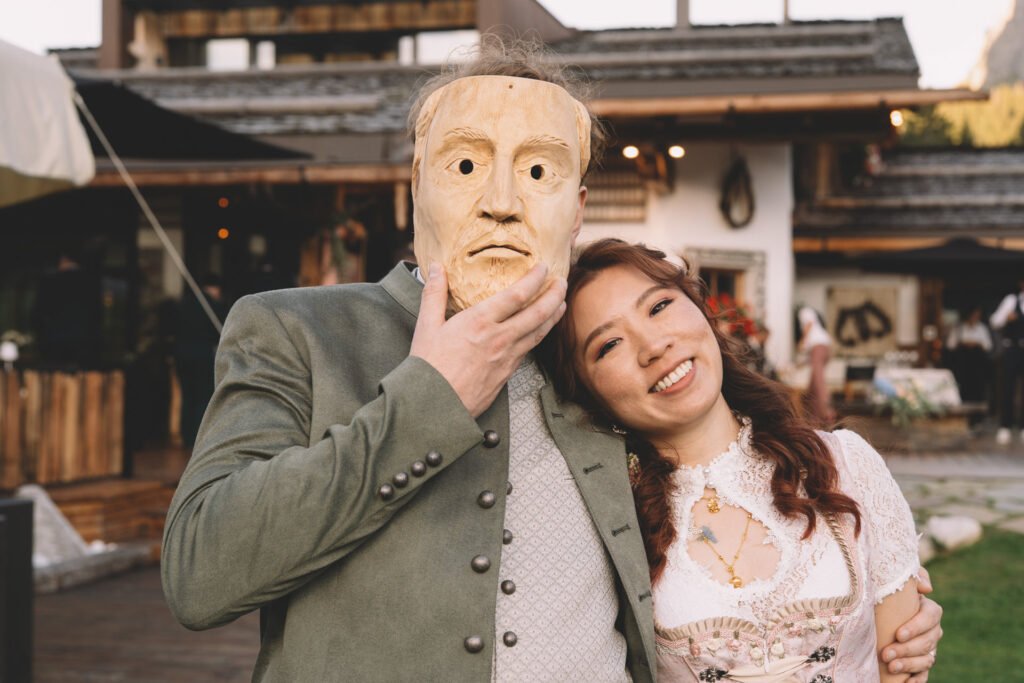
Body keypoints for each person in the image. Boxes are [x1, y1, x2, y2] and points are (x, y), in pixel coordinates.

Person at [161, 40, 941, 682]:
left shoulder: (592, 363)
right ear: (417, 182)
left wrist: (870, 614)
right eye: (466, 165)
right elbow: (200, 574)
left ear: (576, 210)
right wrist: (426, 399)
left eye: (538, 171)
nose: (502, 201)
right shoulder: (295, 330)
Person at [546, 239, 938, 682]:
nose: (653, 345)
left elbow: (901, 664)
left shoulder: (846, 464)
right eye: (609, 344)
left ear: (702, 311)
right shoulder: (604, 524)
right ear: (586, 392)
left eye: (658, 307)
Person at [173, 274, 228, 448]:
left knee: (187, 396)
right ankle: (198, 437)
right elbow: (219, 331)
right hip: (202, 354)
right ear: (214, 288)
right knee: (202, 397)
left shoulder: (183, 304)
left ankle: (186, 435)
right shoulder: (212, 306)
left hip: (181, 354)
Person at [990, 278, 1024, 445]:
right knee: (1007, 387)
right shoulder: (1011, 300)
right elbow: (994, 321)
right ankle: (1005, 426)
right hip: (1011, 348)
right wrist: (1007, 318)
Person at [946, 306, 992, 420]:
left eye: (977, 316)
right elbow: (950, 345)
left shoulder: (982, 328)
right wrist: (963, 343)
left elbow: (988, 346)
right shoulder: (959, 328)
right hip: (963, 365)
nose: (975, 318)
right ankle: (961, 417)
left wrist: (977, 343)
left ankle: (978, 418)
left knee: (977, 390)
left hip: (977, 365)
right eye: (973, 315)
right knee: (963, 389)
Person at [797, 304, 836, 424]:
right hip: (823, 347)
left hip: (818, 346)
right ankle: (813, 416)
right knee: (814, 384)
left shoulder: (803, 311)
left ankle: (826, 412)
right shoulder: (819, 330)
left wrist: (802, 341)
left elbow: (809, 324)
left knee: (818, 382)